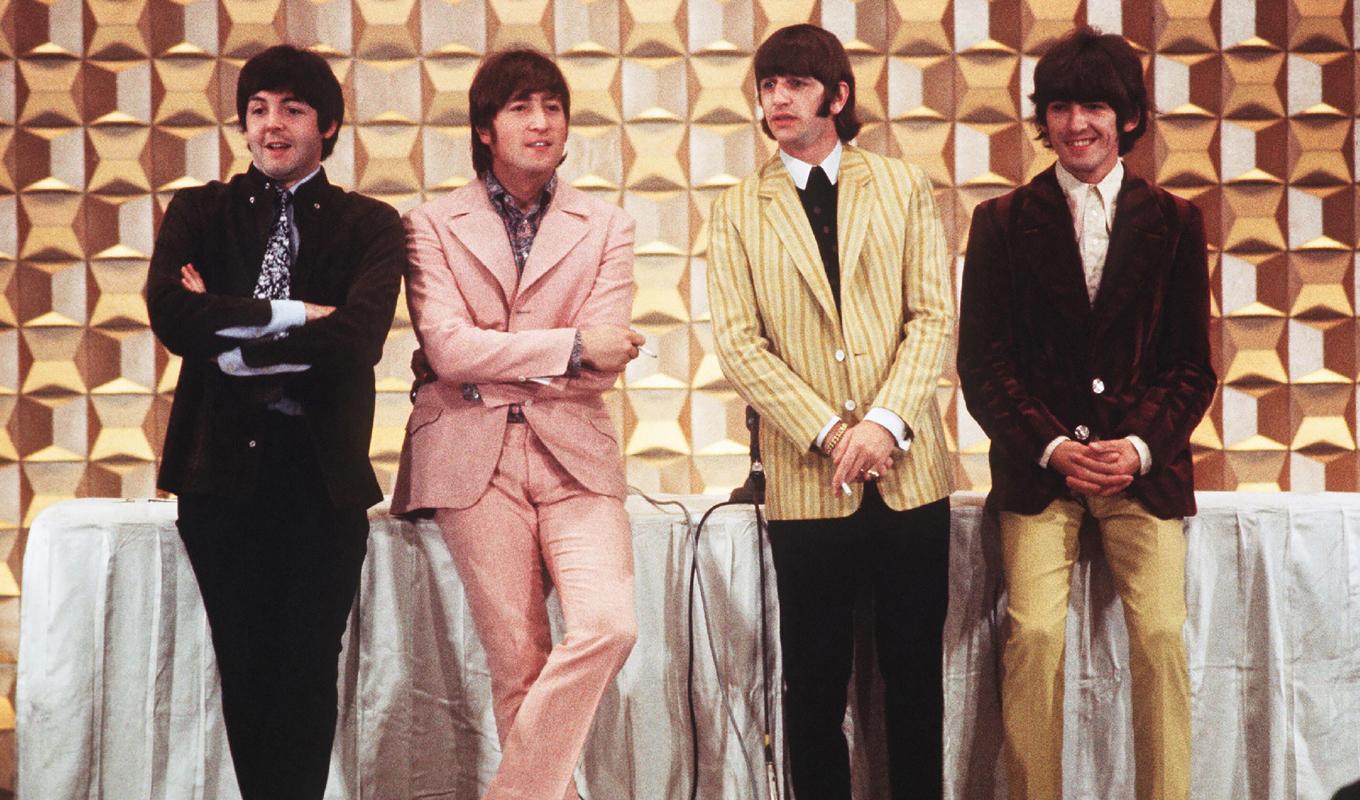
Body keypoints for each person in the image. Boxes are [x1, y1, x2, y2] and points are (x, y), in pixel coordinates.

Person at [956, 26, 1216, 800]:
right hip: (1041, 474)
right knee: (1033, 634)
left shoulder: (1176, 222)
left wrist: (1137, 448)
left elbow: (1191, 366)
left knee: (1164, 636)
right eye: (1061, 106)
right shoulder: (1001, 222)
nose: (1077, 124)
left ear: (1129, 116)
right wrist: (1052, 448)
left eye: (1095, 106)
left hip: (1145, 470)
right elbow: (983, 364)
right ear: (1042, 119)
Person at [145, 44, 406, 800]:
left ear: (327, 124)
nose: (271, 126)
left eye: (291, 108)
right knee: (245, 666)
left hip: (319, 479)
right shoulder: (201, 210)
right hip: (217, 476)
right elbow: (173, 314)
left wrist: (234, 349)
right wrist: (291, 314)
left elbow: (358, 337)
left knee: (305, 669)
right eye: (257, 109)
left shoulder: (370, 223)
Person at [705, 23, 955, 799]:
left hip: (910, 474)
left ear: (837, 97)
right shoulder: (738, 208)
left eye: (796, 84)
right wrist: (829, 432)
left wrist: (884, 423)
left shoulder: (904, 187)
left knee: (914, 677)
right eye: (768, 86)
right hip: (807, 480)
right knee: (812, 688)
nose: (777, 98)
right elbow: (740, 344)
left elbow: (933, 318)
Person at [389, 48, 643, 800]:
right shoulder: (430, 224)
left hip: (574, 454)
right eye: (521, 108)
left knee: (609, 625)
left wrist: (514, 361)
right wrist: (565, 347)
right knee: (518, 663)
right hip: (470, 455)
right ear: (484, 129)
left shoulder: (607, 226)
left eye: (554, 108)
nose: (541, 123)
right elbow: (448, 348)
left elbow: (606, 359)